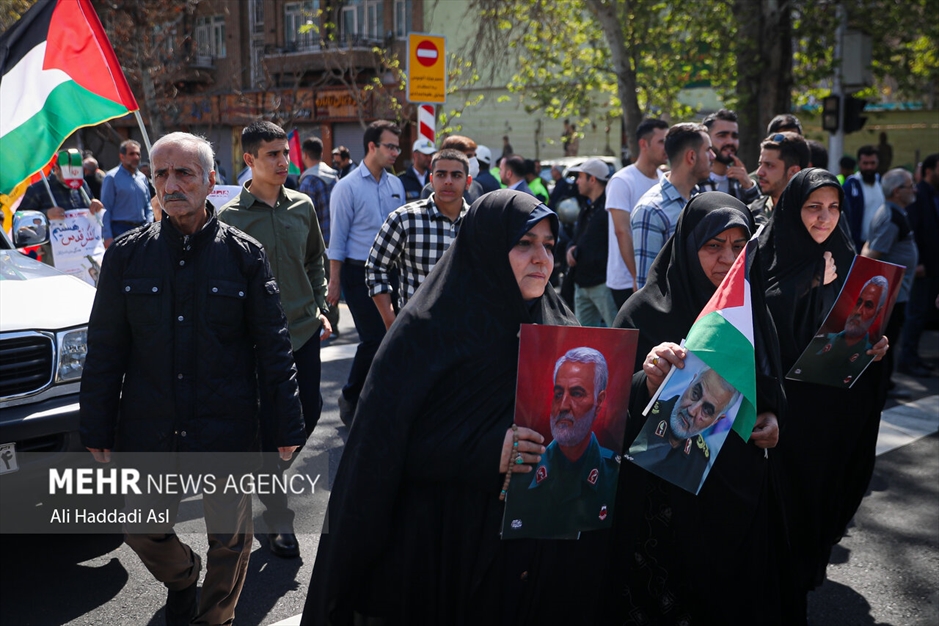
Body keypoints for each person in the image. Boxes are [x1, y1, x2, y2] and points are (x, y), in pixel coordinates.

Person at [302, 190, 612, 625]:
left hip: (532, 546)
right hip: (446, 543)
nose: (542, 257)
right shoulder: (426, 331)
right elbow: (380, 449)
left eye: (548, 244)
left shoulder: (557, 323)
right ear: (485, 246)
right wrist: (486, 451)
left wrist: (646, 380)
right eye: (524, 243)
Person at [79, 132, 306, 626]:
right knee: (140, 527)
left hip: (226, 425)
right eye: (161, 173)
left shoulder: (245, 255)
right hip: (149, 425)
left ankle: (213, 619)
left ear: (210, 180)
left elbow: (273, 347)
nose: (171, 183)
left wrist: (287, 429)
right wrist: (95, 426)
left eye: (184, 172)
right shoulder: (125, 257)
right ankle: (182, 577)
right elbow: (105, 351)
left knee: (231, 542)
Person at [608, 192, 786, 624]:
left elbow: (769, 390)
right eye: (713, 246)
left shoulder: (751, 309)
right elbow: (608, 406)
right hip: (660, 511)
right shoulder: (644, 312)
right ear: (688, 245)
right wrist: (646, 380)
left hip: (732, 504)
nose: (727, 258)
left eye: (738, 245)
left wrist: (772, 419)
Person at [758, 168, 890, 622]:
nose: (824, 218)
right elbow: (762, 317)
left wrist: (876, 347)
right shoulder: (768, 254)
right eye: (813, 207)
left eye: (833, 207)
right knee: (783, 518)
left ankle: (808, 574)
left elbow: (862, 327)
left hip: (832, 413)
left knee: (820, 502)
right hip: (787, 416)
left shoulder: (848, 256)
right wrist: (807, 284)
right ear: (794, 210)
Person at [218, 120, 332, 558]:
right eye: (273, 154)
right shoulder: (228, 219)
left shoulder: (302, 205)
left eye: (286, 153)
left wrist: (320, 306)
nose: (284, 161)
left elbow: (314, 260)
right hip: (256, 342)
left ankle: (266, 476)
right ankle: (278, 513)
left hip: (303, 332)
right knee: (269, 424)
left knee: (309, 412)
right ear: (250, 160)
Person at [328, 120, 406, 426]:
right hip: (358, 272)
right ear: (372, 146)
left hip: (393, 271)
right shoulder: (346, 186)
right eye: (390, 146)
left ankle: (378, 399)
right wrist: (334, 282)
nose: (396, 153)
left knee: (394, 336)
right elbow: (337, 239)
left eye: (398, 147)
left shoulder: (395, 184)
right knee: (374, 339)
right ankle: (350, 397)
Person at [503, 347, 619, 539]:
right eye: (558, 393)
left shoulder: (614, 474)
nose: (563, 405)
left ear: (599, 402)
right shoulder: (522, 470)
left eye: (577, 394)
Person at [366, 149, 471, 328]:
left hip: (465, 331)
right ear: (431, 179)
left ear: (468, 182)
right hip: (416, 329)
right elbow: (375, 268)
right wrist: (391, 321)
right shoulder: (404, 219)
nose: (448, 181)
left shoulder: (477, 221)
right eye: (441, 174)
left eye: (456, 175)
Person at [628, 366, 740, 494]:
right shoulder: (645, 403)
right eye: (695, 393)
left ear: (716, 421)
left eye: (707, 410)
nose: (692, 411)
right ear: (690, 382)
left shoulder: (700, 459)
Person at [631, 122, 713, 289]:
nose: (713, 156)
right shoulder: (651, 210)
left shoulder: (701, 200)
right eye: (707, 150)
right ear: (691, 156)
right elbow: (647, 289)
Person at [862, 167, 919, 394]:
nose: (914, 189)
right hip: (891, 297)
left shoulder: (894, 212)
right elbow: (872, 253)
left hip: (897, 294)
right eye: (909, 185)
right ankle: (883, 387)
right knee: (887, 343)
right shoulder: (891, 216)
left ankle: (885, 384)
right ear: (897, 191)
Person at [605, 118, 668, 308]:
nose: (668, 147)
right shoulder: (622, 180)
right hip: (627, 281)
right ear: (644, 144)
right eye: (661, 141)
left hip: (656, 280)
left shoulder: (664, 180)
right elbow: (622, 231)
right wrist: (637, 277)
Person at [795, 276, 889, 388]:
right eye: (859, 302)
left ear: (877, 314)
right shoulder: (821, 341)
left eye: (868, 305)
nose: (858, 311)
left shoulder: (870, 353)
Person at [18, 148, 105, 265]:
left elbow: (89, 211)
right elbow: (21, 222)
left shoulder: (82, 185)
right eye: (69, 174)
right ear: (57, 169)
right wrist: (46, 215)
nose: (74, 180)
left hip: (85, 252)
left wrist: (95, 205)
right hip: (54, 255)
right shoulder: (39, 189)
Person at [900, 153, 939, 376]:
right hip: (921, 269)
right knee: (914, 315)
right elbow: (912, 231)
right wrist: (920, 262)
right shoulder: (919, 195)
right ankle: (908, 360)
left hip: (933, 268)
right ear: (929, 171)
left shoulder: (934, 194)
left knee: (923, 315)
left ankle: (914, 358)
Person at [566, 158, 617, 326]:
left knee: (616, 333)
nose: (577, 182)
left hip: (603, 284)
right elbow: (578, 238)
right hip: (582, 283)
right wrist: (570, 249)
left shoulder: (609, 210)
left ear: (592, 179)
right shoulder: (587, 208)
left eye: (580, 177)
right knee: (583, 340)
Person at [300, 136, 340, 333]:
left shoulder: (308, 180)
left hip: (320, 242)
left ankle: (328, 322)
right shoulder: (335, 176)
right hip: (338, 240)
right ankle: (335, 321)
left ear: (305, 155)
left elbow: (305, 217)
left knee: (321, 283)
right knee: (335, 282)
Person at [696, 109, 761, 203]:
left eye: (734, 136)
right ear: (706, 139)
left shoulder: (740, 182)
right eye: (722, 135)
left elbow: (759, 215)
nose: (730, 142)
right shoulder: (694, 180)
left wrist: (748, 186)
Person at [750, 131, 810, 225]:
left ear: (794, 172)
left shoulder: (814, 219)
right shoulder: (751, 214)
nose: (759, 172)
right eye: (760, 164)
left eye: (769, 165)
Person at [101, 139, 153, 247]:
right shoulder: (112, 177)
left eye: (138, 154)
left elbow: (148, 205)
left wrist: (149, 225)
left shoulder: (142, 178)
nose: (136, 157)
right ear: (122, 156)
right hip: (120, 231)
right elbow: (106, 209)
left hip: (142, 229)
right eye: (132, 154)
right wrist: (107, 236)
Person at [843, 145, 885, 251]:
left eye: (872, 163)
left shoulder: (883, 183)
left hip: (881, 245)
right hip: (858, 245)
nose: (869, 167)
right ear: (859, 164)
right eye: (865, 163)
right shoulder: (851, 186)